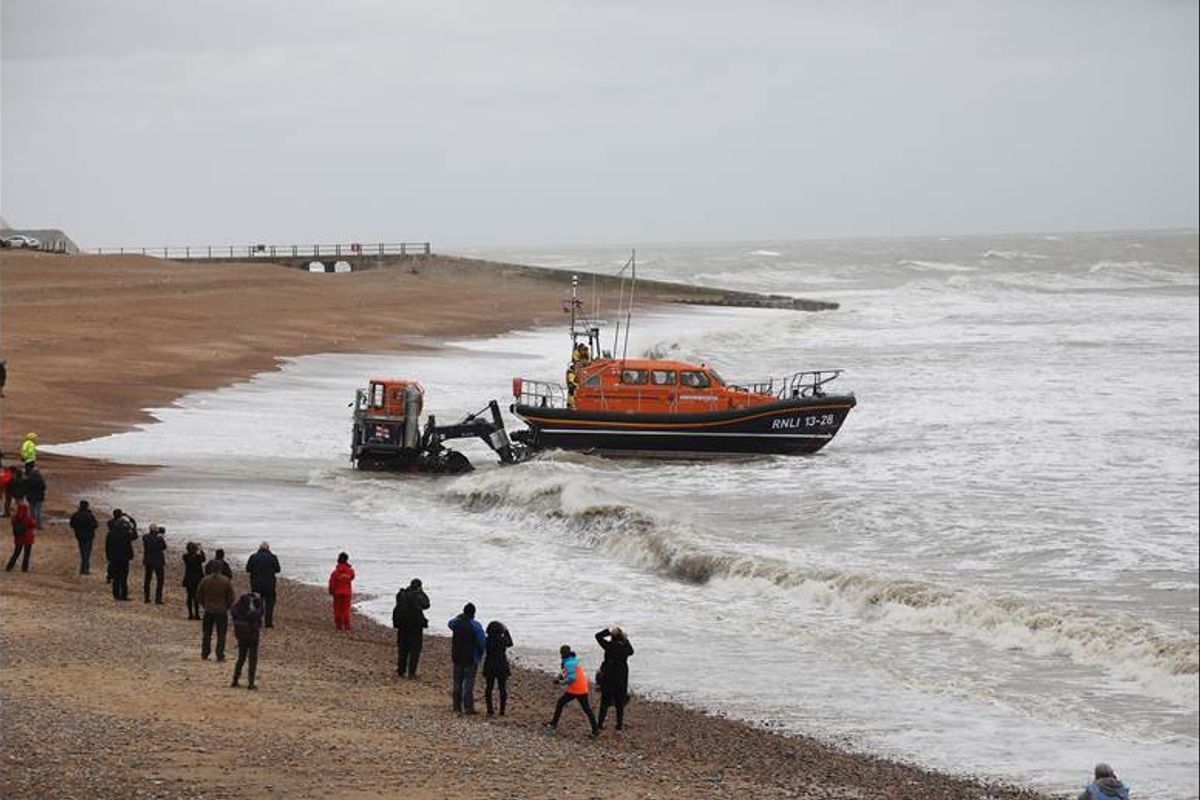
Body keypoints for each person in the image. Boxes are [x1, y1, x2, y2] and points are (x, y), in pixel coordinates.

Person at [546, 644, 599, 736]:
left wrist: (560, 682)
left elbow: (572, 678)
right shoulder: (573, 660)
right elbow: (568, 673)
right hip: (582, 687)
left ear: (562, 653)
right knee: (587, 709)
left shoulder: (568, 663)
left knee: (560, 703)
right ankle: (595, 730)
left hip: (576, 689)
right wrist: (561, 677)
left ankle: (553, 724)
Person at [448, 602, 486, 714]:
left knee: (457, 682)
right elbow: (482, 641)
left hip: (457, 656)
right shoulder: (475, 625)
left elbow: (449, 623)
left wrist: (458, 616)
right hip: (471, 657)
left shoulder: (456, 623)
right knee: (468, 683)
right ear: (474, 613)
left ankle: (456, 706)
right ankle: (468, 707)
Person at [595, 626, 634, 730]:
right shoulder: (624, 649)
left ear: (612, 637)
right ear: (621, 637)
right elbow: (632, 651)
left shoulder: (608, 646)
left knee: (604, 702)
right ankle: (619, 725)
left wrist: (607, 632)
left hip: (608, 677)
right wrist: (625, 639)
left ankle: (600, 724)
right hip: (621, 678)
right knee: (619, 702)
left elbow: (597, 636)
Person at [392, 578, 430, 677]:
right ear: (419, 586)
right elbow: (426, 604)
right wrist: (422, 592)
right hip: (415, 626)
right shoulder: (418, 595)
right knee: (415, 650)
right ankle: (411, 673)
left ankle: (401, 670)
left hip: (402, 625)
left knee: (402, 648)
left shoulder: (401, 594)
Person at [197, 567, 235, 661]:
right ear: (220, 569)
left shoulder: (205, 580)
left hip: (209, 610)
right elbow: (231, 597)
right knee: (221, 634)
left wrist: (204, 604)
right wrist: (227, 606)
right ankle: (220, 654)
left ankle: (205, 653)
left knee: (207, 633)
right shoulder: (225, 581)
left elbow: (199, 595)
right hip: (221, 610)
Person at [230, 592, 263, 690]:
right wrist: (258, 602)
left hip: (241, 636)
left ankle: (235, 679)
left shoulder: (237, 611)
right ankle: (251, 683)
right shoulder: (253, 614)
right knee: (252, 659)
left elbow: (234, 608)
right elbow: (260, 612)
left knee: (241, 658)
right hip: (252, 636)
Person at [104, 509, 139, 601]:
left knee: (116, 577)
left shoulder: (110, 534)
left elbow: (107, 546)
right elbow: (135, 536)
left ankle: (116, 595)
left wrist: (108, 556)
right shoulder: (126, 534)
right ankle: (123, 595)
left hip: (114, 558)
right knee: (123, 577)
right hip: (124, 558)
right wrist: (133, 524)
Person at [245, 542, 281, 627]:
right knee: (269, 604)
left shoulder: (253, 557)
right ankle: (268, 622)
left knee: (257, 603)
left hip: (256, 584)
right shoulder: (272, 557)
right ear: (268, 548)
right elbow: (278, 569)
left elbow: (248, 569)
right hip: (269, 584)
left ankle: (258, 621)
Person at [483, 620, 513, 717]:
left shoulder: (487, 640)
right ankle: (502, 710)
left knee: (489, 688)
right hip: (501, 665)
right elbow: (510, 643)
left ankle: (490, 710)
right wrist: (506, 630)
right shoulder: (502, 640)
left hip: (490, 665)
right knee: (502, 688)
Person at [5, 498, 37, 572]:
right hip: (27, 538)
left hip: (18, 538)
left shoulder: (15, 517)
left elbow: (13, 523)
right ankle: (24, 568)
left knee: (16, 553)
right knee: (26, 554)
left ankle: (9, 566)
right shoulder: (28, 518)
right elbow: (33, 525)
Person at [69, 500, 99, 575]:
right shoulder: (89, 515)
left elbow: (72, 524)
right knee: (87, 552)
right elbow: (95, 525)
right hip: (89, 536)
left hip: (79, 536)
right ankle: (85, 569)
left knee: (83, 551)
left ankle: (83, 568)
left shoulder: (76, 514)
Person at [327, 552, 355, 631]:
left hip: (337, 592)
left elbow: (331, 582)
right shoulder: (350, 571)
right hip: (347, 592)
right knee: (346, 609)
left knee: (337, 609)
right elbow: (352, 577)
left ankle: (339, 626)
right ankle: (346, 626)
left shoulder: (335, 572)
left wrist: (331, 591)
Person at [142, 524, 167, 604]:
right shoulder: (159, 539)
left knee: (147, 580)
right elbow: (163, 547)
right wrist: (161, 538)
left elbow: (147, 540)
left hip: (148, 561)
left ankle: (146, 598)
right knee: (160, 580)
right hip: (158, 561)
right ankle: (158, 599)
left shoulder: (145, 537)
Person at [181, 542, 207, 620]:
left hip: (189, 578)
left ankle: (190, 614)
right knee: (196, 596)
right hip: (197, 578)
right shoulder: (198, 558)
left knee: (189, 596)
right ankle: (196, 614)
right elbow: (204, 559)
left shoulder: (185, 556)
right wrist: (201, 550)